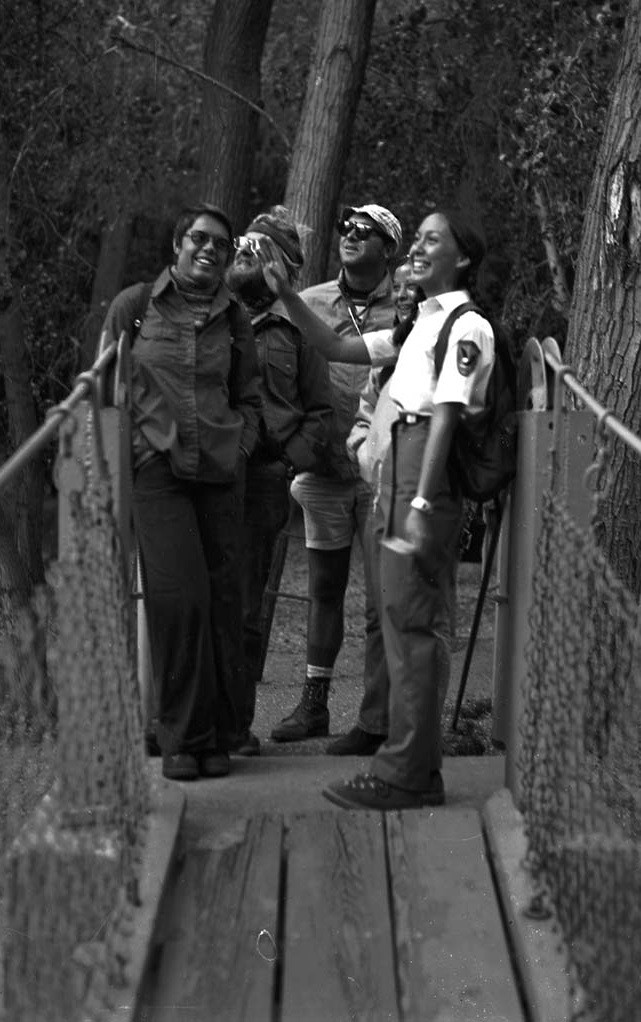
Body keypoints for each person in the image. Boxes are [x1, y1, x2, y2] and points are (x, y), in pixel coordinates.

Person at [258, 209, 495, 810]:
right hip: (398, 469)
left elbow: (446, 412)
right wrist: (285, 292)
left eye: (432, 239)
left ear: (462, 257)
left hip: (421, 473)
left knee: (414, 623)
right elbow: (334, 343)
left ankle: (407, 772)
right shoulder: (418, 324)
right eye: (415, 238)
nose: (417, 247)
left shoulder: (467, 327)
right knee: (398, 617)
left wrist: (418, 499)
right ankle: (412, 766)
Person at [98, 202, 262, 783]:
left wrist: (241, 447)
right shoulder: (135, 308)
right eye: (200, 238)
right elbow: (98, 386)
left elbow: (251, 399)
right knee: (178, 597)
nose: (211, 250)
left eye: (223, 243)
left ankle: (217, 737)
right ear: (177, 245)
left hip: (220, 474)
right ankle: (180, 737)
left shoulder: (236, 319)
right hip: (157, 470)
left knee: (222, 603)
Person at [268, 204, 404, 754]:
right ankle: (314, 703)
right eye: (346, 227)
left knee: (381, 599)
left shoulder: (410, 309)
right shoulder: (311, 301)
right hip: (323, 468)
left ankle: (377, 718)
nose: (349, 234)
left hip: (381, 470)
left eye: (364, 231)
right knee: (323, 590)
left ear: (389, 249)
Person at [224, 206, 333, 757]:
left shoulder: (298, 332)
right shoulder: (205, 312)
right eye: (241, 242)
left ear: (282, 269)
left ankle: (233, 726)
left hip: (261, 482)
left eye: (258, 247)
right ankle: (185, 720)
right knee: (192, 597)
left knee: (244, 607)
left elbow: (321, 411)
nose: (245, 250)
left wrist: (287, 458)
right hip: (205, 476)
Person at [332, 260, 420, 756]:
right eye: (400, 285)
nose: (404, 293)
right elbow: (368, 407)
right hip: (378, 492)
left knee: (411, 613)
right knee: (375, 611)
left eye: (413, 285)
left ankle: (407, 729)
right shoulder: (392, 348)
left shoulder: (442, 340)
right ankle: (373, 721)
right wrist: (361, 445)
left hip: (418, 494)